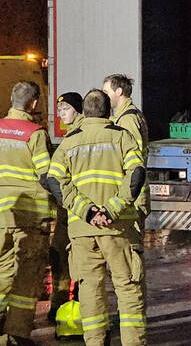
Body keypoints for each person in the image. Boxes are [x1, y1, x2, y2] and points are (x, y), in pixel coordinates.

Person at [46, 89, 146, 346]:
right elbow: (136, 174)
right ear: (108, 111)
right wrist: (112, 209)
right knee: (127, 288)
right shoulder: (121, 137)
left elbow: (54, 180)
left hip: (82, 230)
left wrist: (87, 211)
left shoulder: (69, 142)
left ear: (84, 112)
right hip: (118, 228)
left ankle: (95, 342)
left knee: (90, 289)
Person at [0, 81, 54, 346]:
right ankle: (17, 332)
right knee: (28, 274)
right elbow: (46, 175)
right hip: (33, 217)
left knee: (1, 272)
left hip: (5, 213)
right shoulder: (35, 133)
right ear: (34, 103)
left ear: (11, 98)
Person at [47, 92, 83, 321]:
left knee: (80, 260)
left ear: (78, 110)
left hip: (76, 209)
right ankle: (59, 306)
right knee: (59, 256)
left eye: (66, 109)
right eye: (59, 110)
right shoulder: (70, 136)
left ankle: (78, 306)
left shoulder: (79, 136)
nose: (61, 114)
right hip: (67, 212)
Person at [101, 75, 150, 226]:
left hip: (133, 194)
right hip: (132, 190)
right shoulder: (125, 116)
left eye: (106, 92)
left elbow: (133, 157)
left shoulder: (128, 120)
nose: (104, 97)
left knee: (133, 237)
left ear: (119, 91)